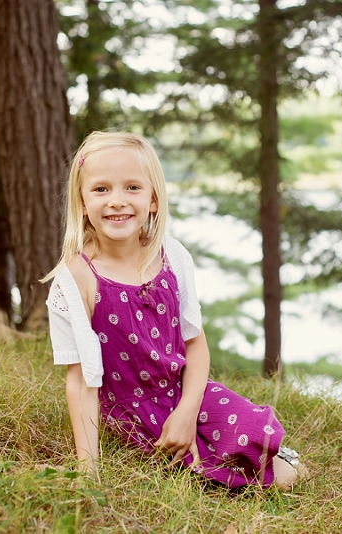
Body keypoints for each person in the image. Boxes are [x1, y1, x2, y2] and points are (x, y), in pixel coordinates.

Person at [43, 131, 302, 489]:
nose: (117, 201)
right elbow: (81, 381)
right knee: (239, 480)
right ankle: (259, 463)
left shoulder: (171, 256)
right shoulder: (76, 280)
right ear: (83, 203)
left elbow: (195, 344)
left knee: (284, 468)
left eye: (132, 187)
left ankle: (278, 455)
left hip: (190, 393)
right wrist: (88, 471)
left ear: (153, 199)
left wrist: (186, 412)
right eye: (101, 189)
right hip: (136, 414)